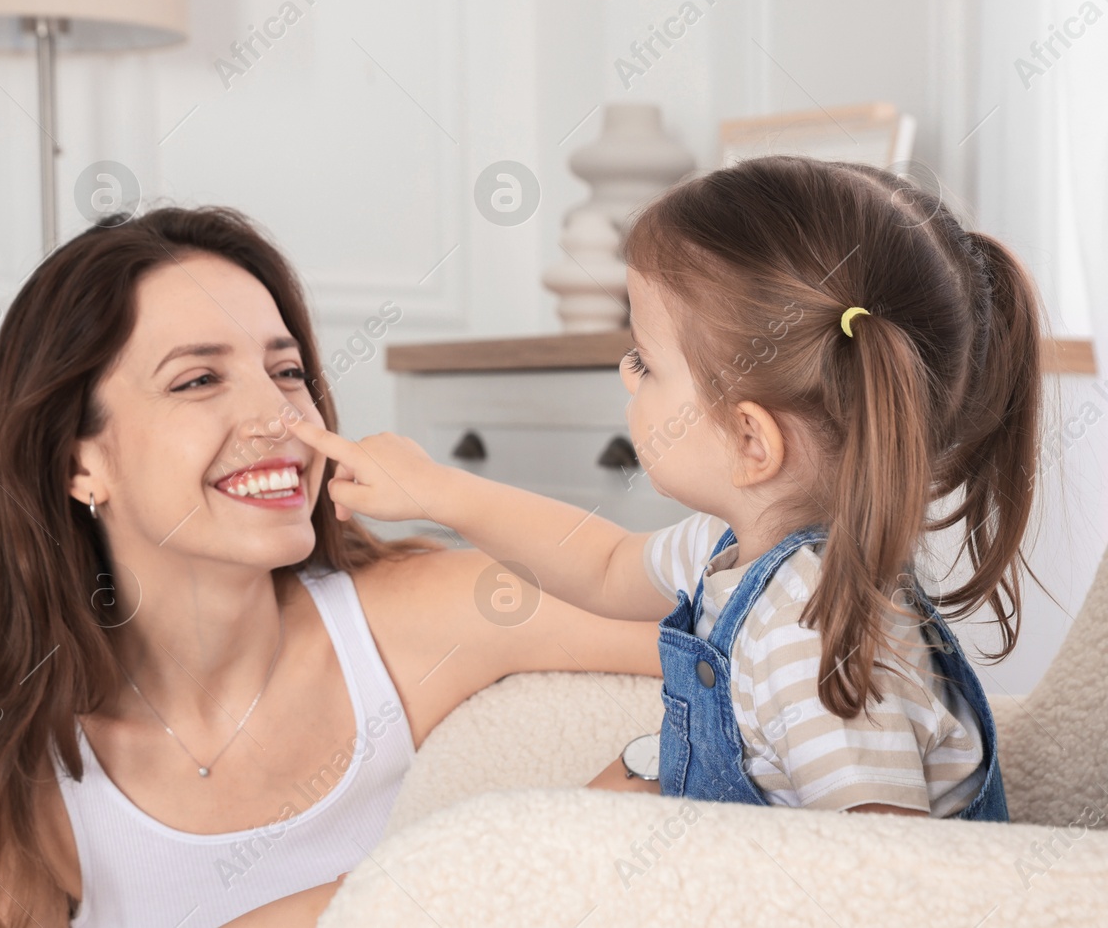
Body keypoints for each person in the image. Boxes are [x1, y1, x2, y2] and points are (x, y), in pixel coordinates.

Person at [0, 205, 664, 927]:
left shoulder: (420, 619)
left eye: (286, 372)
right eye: (197, 379)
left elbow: (743, 618)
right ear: (79, 463)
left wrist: (603, 798)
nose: (280, 417)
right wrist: (462, 869)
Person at [296, 155, 1042, 821]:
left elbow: (881, 884)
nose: (627, 374)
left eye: (646, 361)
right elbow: (600, 563)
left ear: (751, 440)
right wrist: (438, 490)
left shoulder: (815, 644)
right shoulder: (738, 550)